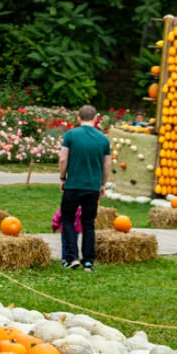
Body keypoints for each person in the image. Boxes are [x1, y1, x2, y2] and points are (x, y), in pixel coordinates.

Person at [58, 105, 111, 272]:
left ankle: (72, 258)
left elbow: (63, 159)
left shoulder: (71, 135)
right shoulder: (103, 139)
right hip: (92, 188)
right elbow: (107, 164)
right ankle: (88, 262)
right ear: (96, 119)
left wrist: (62, 178)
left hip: (73, 185)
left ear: (78, 118)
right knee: (88, 223)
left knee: (67, 219)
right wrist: (102, 184)